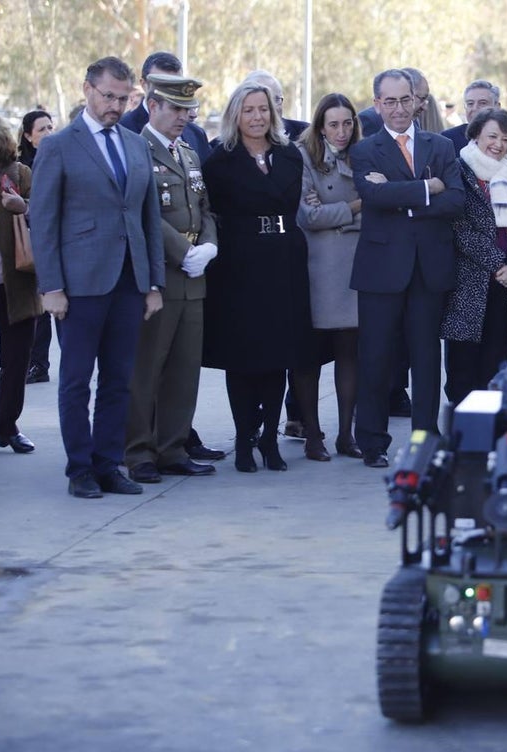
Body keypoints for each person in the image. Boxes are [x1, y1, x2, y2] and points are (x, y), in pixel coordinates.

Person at [30, 56, 165, 497]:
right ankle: (80, 470)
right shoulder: (59, 145)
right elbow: (43, 222)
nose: (116, 106)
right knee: (75, 381)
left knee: (118, 379)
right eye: (109, 96)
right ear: (86, 89)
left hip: (129, 283)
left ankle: (109, 465)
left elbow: (148, 219)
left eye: (124, 99)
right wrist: (51, 287)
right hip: (79, 286)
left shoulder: (135, 144)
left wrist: (153, 284)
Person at [349, 68, 465, 468]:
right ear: (377, 103)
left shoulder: (441, 146)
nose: (399, 109)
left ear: (418, 101)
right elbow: (372, 194)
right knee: (376, 357)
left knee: (425, 357)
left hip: (429, 267)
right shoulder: (365, 149)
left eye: (405, 100)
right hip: (381, 268)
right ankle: (372, 441)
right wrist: (426, 188)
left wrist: (402, 195)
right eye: (390, 101)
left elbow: (456, 200)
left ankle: (424, 437)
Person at [201, 80, 317, 473]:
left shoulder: (289, 155)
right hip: (240, 262)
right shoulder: (219, 160)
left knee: (279, 354)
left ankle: (270, 438)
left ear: (274, 113)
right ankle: (243, 439)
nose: (256, 117)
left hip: (284, 259)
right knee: (244, 356)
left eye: (263, 109)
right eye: (248, 110)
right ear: (236, 114)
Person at [124, 73, 219, 483]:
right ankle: (138, 452)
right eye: (176, 108)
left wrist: (210, 246)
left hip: (193, 278)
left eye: (188, 109)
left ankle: (173, 447)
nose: (184, 116)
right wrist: (185, 251)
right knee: (147, 368)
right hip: (158, 278)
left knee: (184, 368)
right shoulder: (136, 150)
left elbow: (205, 207)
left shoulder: (189, 152)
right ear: (153, 106)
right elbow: (143, 212)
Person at [441, 108, 507, 405]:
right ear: (476, 134)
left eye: (505, 139)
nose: (498, 144)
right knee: (463, 363)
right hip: (467, 282)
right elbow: (459, 228)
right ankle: (463, 429)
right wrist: (498, 263)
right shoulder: (457, 169)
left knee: (496, 361)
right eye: (492, 136)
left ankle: (493, 425)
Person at [295, 93, 363, 460]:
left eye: (347, 123)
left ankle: (346, 434)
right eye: (334, 124)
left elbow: (380, 208)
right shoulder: (303, 156)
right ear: (320, 126)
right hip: (315, 269)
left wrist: (335, 214)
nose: (341, 131)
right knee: (308, 357)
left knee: (349, 354)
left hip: (354, 269)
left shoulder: (363, 155)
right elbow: (308, 217)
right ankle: (312, 434)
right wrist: (355, 206)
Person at [0, 111, 42, 460]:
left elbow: (46, 215)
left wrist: (23, 207)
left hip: (17, 283)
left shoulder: (19, 174)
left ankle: (9, 428)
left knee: (15, 362)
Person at [18, 110, 56, 386]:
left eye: (51, 127)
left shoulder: (60, 159)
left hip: (51, 242)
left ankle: (39, 363)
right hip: (27, 244)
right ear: (29, 136)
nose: (47, 133)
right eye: (41, 129)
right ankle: (32, 361)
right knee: (33, 308)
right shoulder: (19, 168)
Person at [119, 52, 211, 163]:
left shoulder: (196, 134)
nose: (171, 90)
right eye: (161, 84)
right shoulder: (122, 129)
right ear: (144, 84)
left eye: (176, 84)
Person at [441, 79, 501, 153]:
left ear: (497, 107)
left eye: (482, 103)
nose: (474, 108)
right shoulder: (448, 139)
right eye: (470, 103)